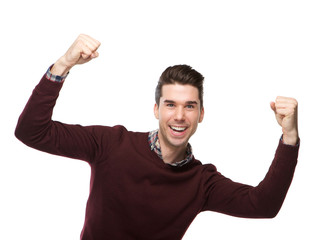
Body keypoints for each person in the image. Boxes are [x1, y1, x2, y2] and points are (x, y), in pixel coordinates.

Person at [15, 34, 300, 240]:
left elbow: (264, 205)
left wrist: (289, 138)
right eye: (170, 105)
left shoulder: (202, 183)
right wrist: (63, 65)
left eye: (190, 106)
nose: (179, 116)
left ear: (201, 114)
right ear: (156, 109)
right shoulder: (110, 145)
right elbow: (31, 131)